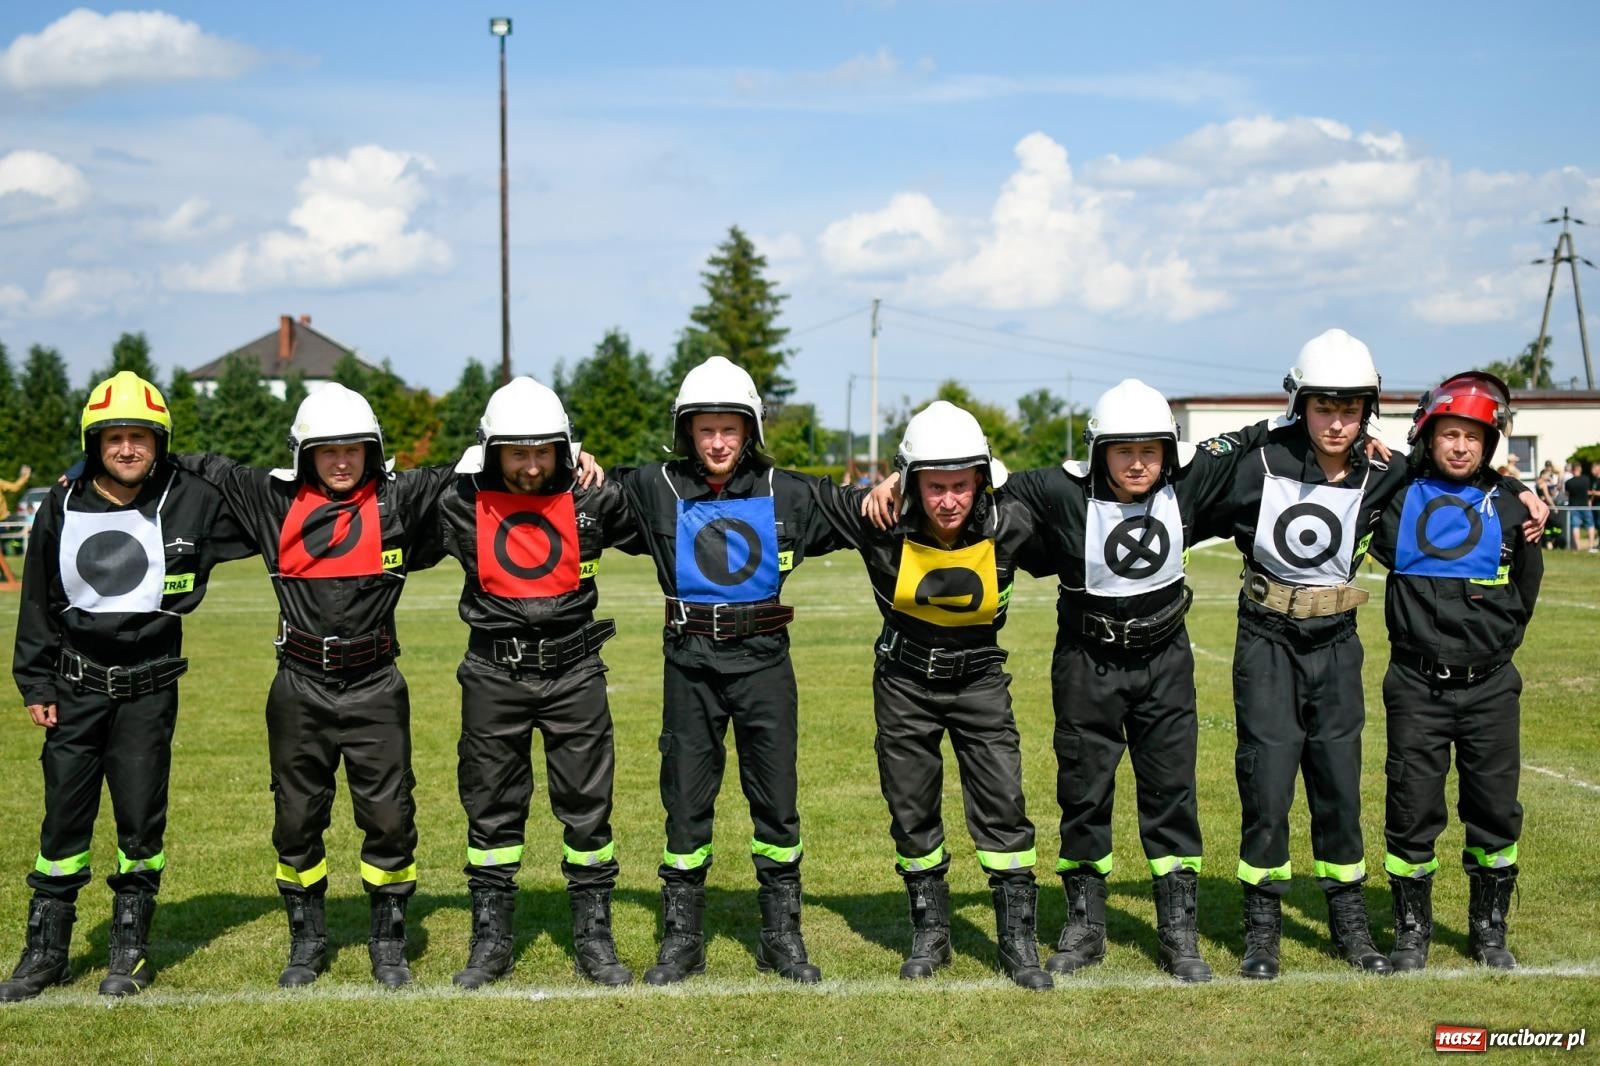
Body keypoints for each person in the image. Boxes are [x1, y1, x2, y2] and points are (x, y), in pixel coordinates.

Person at [171, 384, 456, 989]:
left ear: (373, 451)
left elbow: (486, 464)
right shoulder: (270, 500)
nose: (342, 461)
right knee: (296, 818)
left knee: (388, 817)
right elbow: (195, 465)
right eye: (328, 451)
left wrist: (579, 456)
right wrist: (86, 474)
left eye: (355, 448)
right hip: (298, 686)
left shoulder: (400, 499)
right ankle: (307, 940)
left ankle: (387, 940)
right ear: (304, 455)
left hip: (377, 683)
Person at [998, 380, 1272, 983]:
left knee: (1171, 791)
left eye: (1151, 449)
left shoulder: (1191, 482)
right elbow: (983, 483)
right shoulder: (1057, 488)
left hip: (1165, 661)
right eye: (1124, 451)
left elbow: (1255, 439)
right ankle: (1085, 924)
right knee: (1083, 788)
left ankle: (1178, 930)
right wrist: (894, 479)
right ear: (1098, 451)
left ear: (1170, 451)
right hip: (1085, 663)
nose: (1139, 462)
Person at [1, 372, 252, 1001]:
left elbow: (258, 504)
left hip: (149, 692)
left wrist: (190, 460)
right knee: (63, 824)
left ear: (159, 442)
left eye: (142, 437)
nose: (128, 449)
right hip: (74, 686)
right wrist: (35, 680)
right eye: (114, 437)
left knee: (140, 822)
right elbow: (37, 596)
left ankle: (128, 952)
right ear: (94, 442)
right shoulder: (62, 501)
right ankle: (44, 954)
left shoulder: (191, 499)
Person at [617, 356, 844, 986]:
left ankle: (782, 934)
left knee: (776, 804)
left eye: (730, 430)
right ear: (687, 431)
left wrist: (889, 489)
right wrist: (577, 462)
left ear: (750, 433)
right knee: (685, 803)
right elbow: (579, 496)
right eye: (705, 429)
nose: (717, 443)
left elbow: (861, 512)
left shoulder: (787, 492)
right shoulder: (652, 485)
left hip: (765, 664)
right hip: (689, 666)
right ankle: (682, 939)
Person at [816, 401, 1053, 990]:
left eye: (960, 486)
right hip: (903, 684)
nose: (949, 501)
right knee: (911, 807)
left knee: (1002, 803)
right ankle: (931, 931)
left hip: (979, 681)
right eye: (934, 486)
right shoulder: (877, 518)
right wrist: (886, 479)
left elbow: (1087, 475)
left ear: (981, 480)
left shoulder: (1014, 516)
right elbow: (802, 494)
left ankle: (1017, 939)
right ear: (913, 483)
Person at [430, 377, 641, 988]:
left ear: (564, 448)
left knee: (587, 808)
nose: (528, 467)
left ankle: (594, 939)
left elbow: (656, 499)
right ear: (492, 450)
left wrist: (602, 466)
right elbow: (390, 495)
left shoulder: (594, 497)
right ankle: (491, 941)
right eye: (515, 452)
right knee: (491, 807)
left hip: (575, 671)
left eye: (541, 451)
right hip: (493, 671)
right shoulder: (459, 500)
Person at [1369, 372, 1541, 971]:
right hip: (1416, 685)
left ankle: (1488, 929)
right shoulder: (1394, 499)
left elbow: (1525, 590)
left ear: (1489, 444)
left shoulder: (1518, 509)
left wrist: (1492, 648)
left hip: (1491, 687)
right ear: (1428, 436)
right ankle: (1411, 929)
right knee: (1411, 807)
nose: (1461, 446)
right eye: (1450, 434)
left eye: (1473, 436)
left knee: (1495, 807)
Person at [1565, 461, 1594, 552]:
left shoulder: (1569, 482)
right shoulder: (1586, 479)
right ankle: (1591, 547)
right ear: (1580, 469)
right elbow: (1588, 491)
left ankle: (1577, 547)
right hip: (1585, 506)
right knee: (1590, 525)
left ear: (1572, 470)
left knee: (1575, 526)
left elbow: (1566, 494)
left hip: (1574, 506)